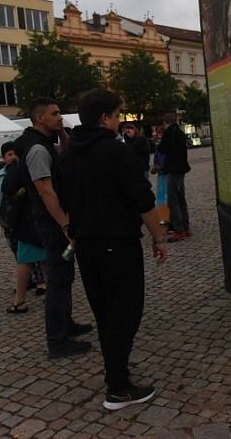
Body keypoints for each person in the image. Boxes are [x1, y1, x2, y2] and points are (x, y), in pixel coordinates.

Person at [61, 89, 169, 411]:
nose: (120, 120)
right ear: (105, 118)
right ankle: (118, 388)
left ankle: (115, 373)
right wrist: (159, 238)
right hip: (117, 244)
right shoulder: (115, 152)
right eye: (118, 114)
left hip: (86, 246)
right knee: (126, 311)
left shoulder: (68, 154)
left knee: (105, 312)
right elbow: (142, 199)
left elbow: (64, 200)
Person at [15, 97, 92, 358]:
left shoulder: (45, 142)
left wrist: (61, 132)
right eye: (55, 114)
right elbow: (46, 191)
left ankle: (66, 326)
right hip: (52, 224)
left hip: (53, 223)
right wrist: (65, 224)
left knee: (64, 277)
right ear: (39, 118)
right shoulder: (37, 149)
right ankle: (57, 342)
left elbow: (69, 156)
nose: (60, 117)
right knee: (58, 281)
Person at [0, 142, 45, 312]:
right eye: (9, 155)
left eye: (14, 154)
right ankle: (32, 285)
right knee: (21, 255)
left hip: (24, 222)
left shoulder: (23, 172)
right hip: (7, 223)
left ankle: (39, 285)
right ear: (4, 158)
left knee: (32, 256)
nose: (12, 157)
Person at [157, 112, 192, 242]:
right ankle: (186, 226)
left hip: (174, 169)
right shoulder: (180, 132)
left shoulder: (169, 133)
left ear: (166, 122)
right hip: (182, 169)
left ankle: (178, 229)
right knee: (181, 198)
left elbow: (162, 149)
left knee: (172, 200)